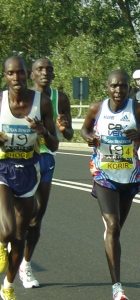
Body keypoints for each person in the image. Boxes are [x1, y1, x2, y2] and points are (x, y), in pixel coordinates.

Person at [81, 69, 140, 300]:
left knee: (116, 231)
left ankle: (109, 236)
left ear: (130, 88)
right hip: (103, 174)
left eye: (123, 86)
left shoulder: (138, 109)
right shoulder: (97, 108)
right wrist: (89, 137)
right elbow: (84, 129)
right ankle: (117, 287)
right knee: (114, 225)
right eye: (114, 86)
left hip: (129, 176)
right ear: (107, 87)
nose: (119, 90)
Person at [0, 56, 59, 300]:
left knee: (20, 236)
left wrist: (42, 131)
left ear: (27, 74)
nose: (17, 78)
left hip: (28, 171)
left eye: (21, 73)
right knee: (7, 229)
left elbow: (54, 145)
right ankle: (1, 245)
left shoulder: (42, 103)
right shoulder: (0, 101)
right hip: (3, 169)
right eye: (11, 73)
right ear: (5, 76)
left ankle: (8, 285)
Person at [18, 58, 73, 289]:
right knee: (19, 216)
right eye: (40, 69)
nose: (45, 72)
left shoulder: (59, 98)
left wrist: (63, 128)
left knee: (37, 216)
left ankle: (25, 264)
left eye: (49, 69)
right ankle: (11, 246)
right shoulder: (24, 97)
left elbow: (68, 134)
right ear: (31, 75)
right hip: (21, 157)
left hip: (46, 157)